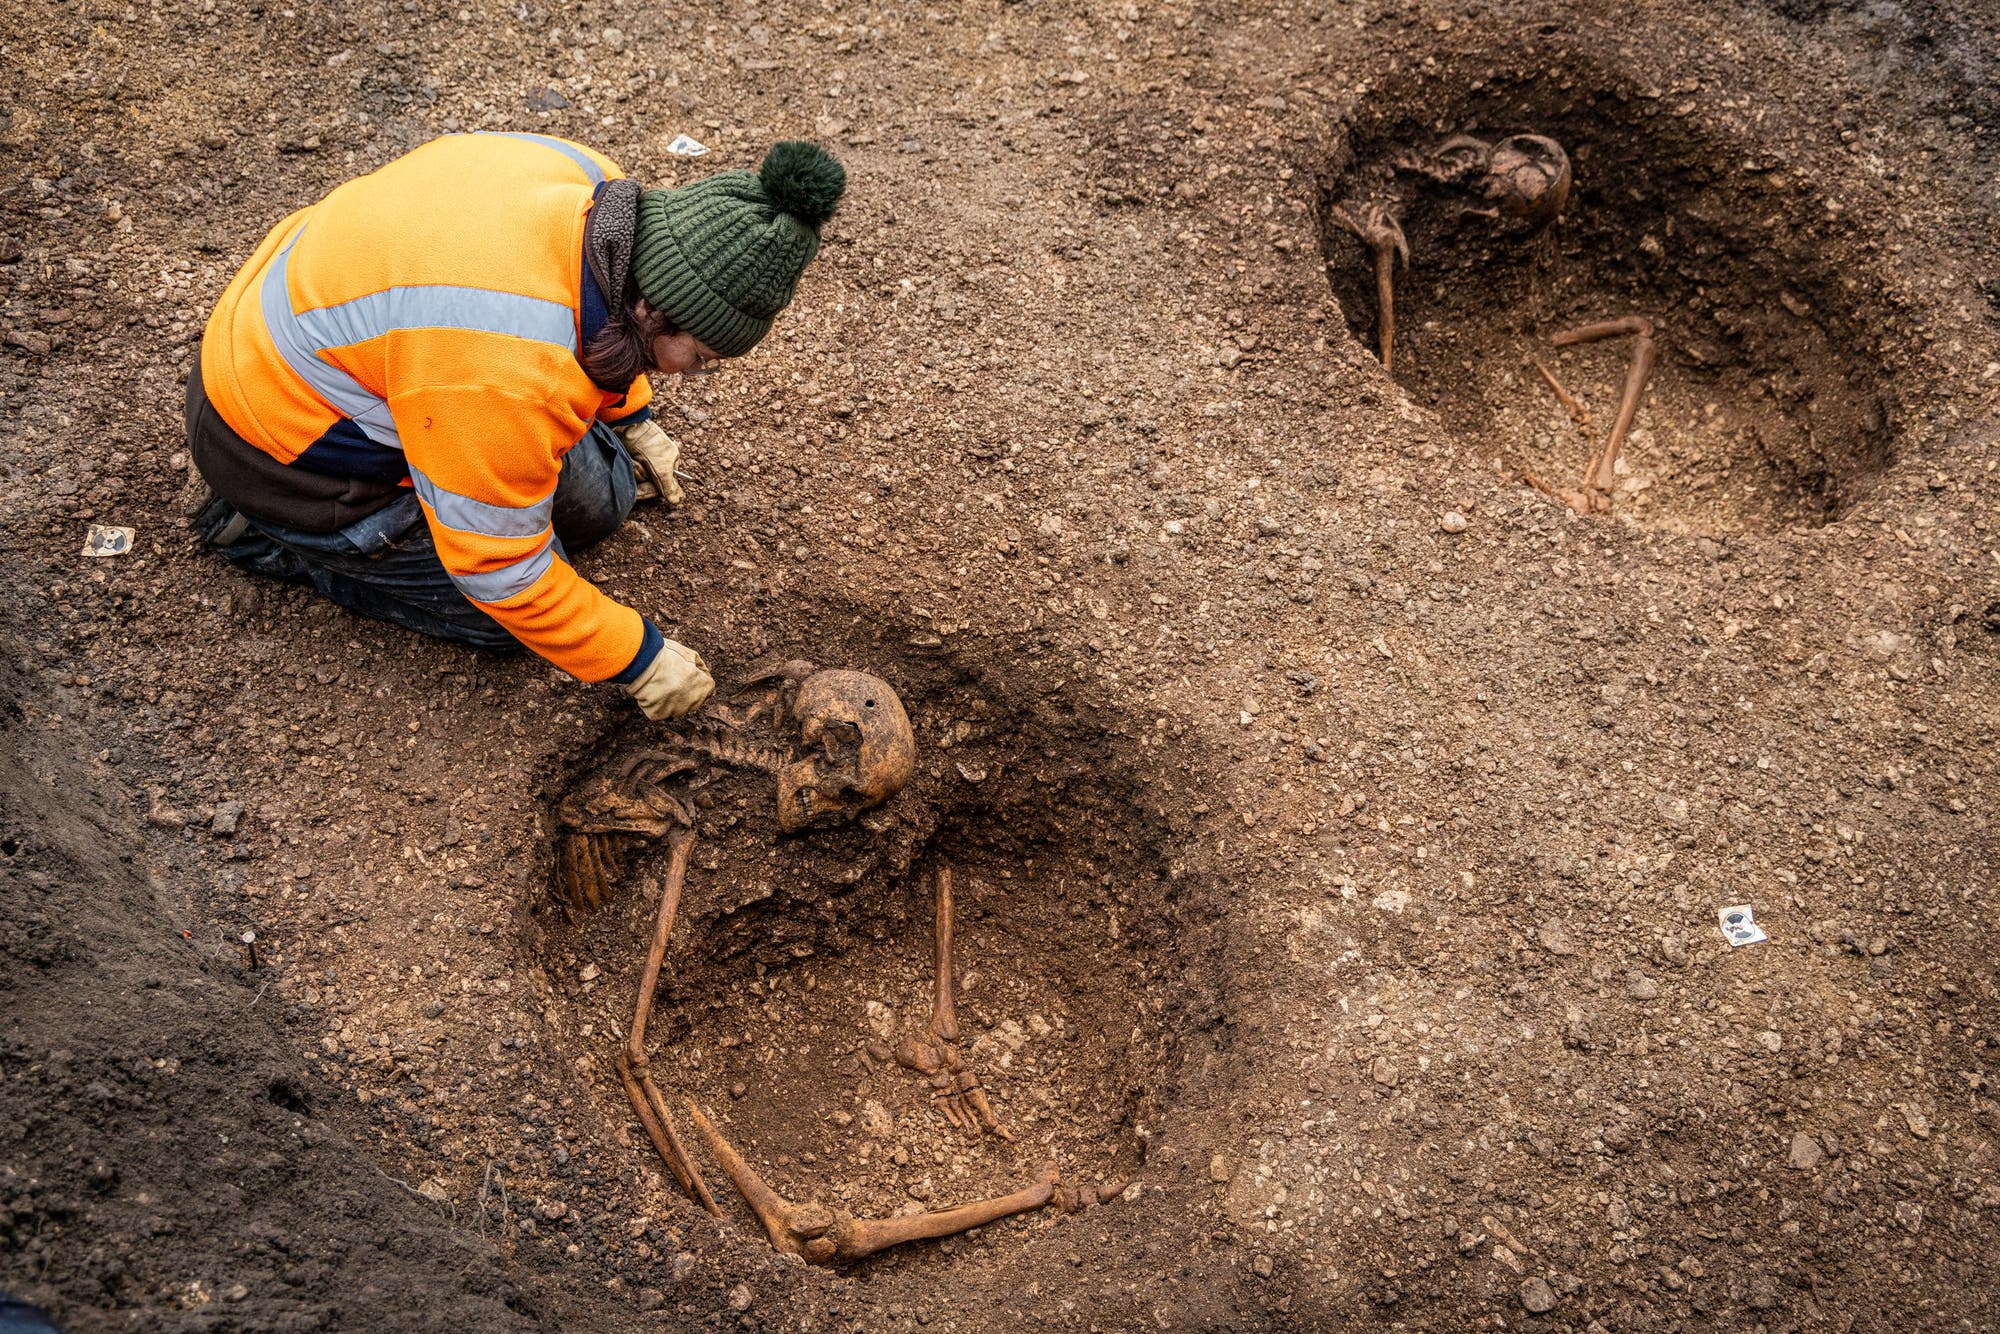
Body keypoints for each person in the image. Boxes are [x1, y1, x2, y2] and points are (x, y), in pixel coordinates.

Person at [185, 133, 845, 719]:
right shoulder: (501, 367)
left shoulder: (594, 190)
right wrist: (635, 656)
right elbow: (498, 570)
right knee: (506, 619)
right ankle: (266, 537)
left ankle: (438, 483)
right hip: (281, 446)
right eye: (699, 357)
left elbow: (593, 318)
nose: (692, 372)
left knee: (602, 503)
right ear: (650, 308)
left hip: (347, 338)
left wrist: (633, 415)